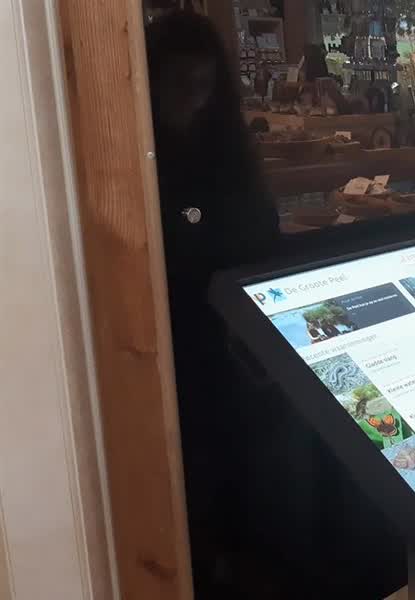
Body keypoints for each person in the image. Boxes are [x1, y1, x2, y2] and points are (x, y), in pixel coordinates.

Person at [146, 10, 280, 595]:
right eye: (179, 86)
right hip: (178, 339)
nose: (191, 102)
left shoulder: (224, 151)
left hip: (229, 337)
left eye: (201, 87)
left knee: (236, 468)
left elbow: (260, 233)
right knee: (193, 473)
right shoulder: (146, 156)